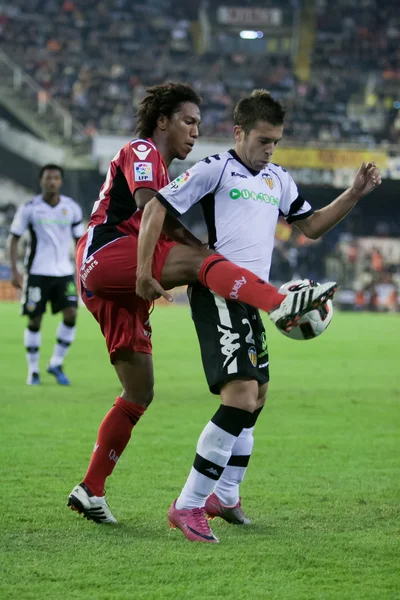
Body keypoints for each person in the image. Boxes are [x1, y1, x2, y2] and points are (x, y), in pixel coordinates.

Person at [68, 82, 335, 524]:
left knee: (139, 392)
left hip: (122, 278)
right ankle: (278, 302)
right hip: (107, 253)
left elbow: (170, 227)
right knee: (202, 266)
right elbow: (147, 204)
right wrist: (151, 269)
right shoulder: (142, 150)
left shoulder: (167, 169)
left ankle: (90, 490)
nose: (195, 131)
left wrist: (198, 253)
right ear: (163, 122)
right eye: (189, 121)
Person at [136, 89, 382, 543]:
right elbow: (154, 208)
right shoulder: (214, 169)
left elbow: (310, 226)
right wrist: (142, 272)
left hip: (255, 300)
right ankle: (188, 505)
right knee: (241, 396)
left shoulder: (279, 179)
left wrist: (354, 193)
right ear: (239, 133)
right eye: (264, 140)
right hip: (217, 293)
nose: (270, 150)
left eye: (276, 142)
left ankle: (225, 496)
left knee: (259, 395)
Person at [9, 164, 84, 386]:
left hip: (63, 273)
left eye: (56, 178)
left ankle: (56, 363)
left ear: (60, 182)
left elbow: (80, 241)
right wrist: (15, 270)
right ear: (41, 181)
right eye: (48, 178)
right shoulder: (30, 208)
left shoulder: (71, 208)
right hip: (37, 274)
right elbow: (14, 238)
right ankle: (32, 371)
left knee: (71, 314)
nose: (52, 182)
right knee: (35, 319)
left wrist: (83, 269)